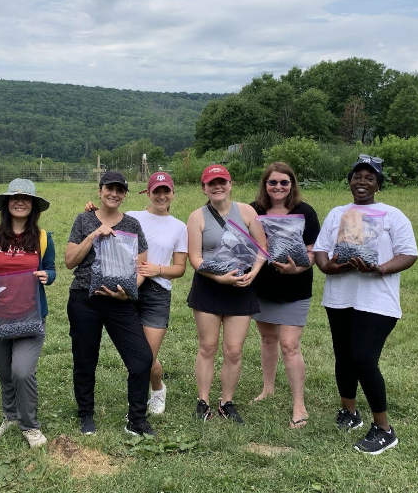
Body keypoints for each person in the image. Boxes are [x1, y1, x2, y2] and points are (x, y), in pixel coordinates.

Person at [313, 154, 418, 454]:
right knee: (343, 357)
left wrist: (380, 268)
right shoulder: (337, 214)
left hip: (377, 300)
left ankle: (384, 429)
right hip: (340, 297)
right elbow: (321, 251)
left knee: (363, 358)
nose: (362, 181)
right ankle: (350, 412)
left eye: (369, 177)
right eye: (357, 176)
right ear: (349, 182)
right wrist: (329, 267)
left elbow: (409, 253)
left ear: (378, 185)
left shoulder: (393, 216)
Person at [85, 171, 187, 415]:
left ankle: (157, 389)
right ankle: (139, 402)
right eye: (156, 191)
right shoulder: (132, 216)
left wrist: (158, 269)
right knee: (135, 353)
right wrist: (90, 210)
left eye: (166, 191)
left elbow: (180, 269)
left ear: (173, 194)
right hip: (127, 287)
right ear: (148, 193)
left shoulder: (179, 227)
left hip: (156, 293)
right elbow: (106, 222)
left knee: (148, 357)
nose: (161, 196)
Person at [65, 171, 155, 437]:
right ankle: (86, 414)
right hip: (85, 298)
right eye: (109, 188)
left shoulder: (132, 225)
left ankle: (136, 419)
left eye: (120, 190)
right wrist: (93, 236)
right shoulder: (83, 220)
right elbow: (70, 260)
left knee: (141, 358)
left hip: (120, 301)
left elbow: (142, 267)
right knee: (85, 359)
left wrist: (128, 293)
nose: (114, 194)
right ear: (100, 190)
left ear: (125, 194)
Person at [0, 179, 56, 448]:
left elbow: (52, 269)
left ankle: (30, 425)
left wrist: (48, 275)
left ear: (33, 205)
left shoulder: (43, 238)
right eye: (14, 198)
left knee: (22, 370)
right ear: (7, 204)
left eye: (26, 198)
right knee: (4, 371)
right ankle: (9, 416)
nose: (20, 202)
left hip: (30, 315)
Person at [186, 164, 268, 424]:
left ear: (230, 184)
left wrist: (253, 273)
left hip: (241, 287)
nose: (217, 187)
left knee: (233, 350)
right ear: (204, 188)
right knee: (207, 346)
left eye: (222, 182)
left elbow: (262, 249)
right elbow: (195, 258)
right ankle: (203, 401)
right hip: (209, 287)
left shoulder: (246, 212)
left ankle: (227, 402)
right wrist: (217, 276)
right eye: (211, 183)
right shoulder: (197, 217)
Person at [249, 162, 320, 429]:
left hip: (295, 287)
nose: (278, 187)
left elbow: (313, 251)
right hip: (262, 287)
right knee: (267, 339)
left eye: (284, 182)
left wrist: (296, 268)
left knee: (289, 345)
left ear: (292, 185)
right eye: (272, 182)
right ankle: (268, 389)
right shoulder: (253, 210)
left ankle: (299, 406)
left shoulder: (305, 212)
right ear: (264, 185)